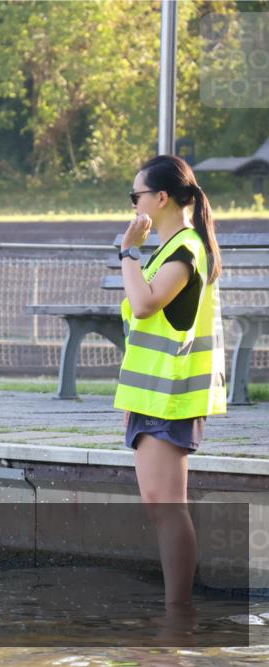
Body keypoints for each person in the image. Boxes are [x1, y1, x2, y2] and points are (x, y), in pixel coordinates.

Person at [113, 155, 226, 615]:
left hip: (172, 395)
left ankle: (177, 618)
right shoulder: (171, 248)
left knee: (168, 506)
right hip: (152, 394)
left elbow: (144, 305)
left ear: (160, 198)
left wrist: (126, 252)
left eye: (134, 196)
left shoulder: (185, 249)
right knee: (159, 505)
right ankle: (174, 616)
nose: (133, 204)